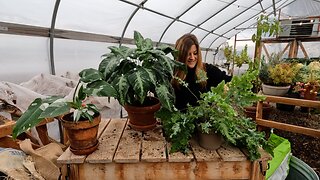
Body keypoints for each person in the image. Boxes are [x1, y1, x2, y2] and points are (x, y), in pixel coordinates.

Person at [172, 33, 232, 111]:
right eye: (188, 54)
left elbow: (228, 80)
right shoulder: (173, 74)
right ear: (180, 55)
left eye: (195, 53)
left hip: (205, 121)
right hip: (179, 121)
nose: (192, 57)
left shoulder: (207, 70)